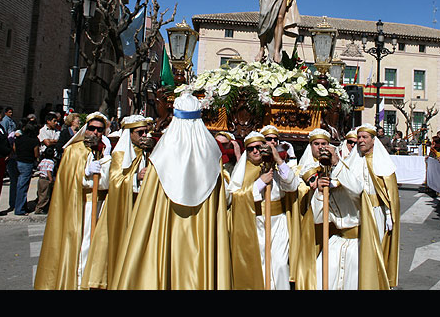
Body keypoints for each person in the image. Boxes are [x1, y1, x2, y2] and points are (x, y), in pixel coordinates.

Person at [109, 93, 231, 290]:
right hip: (202, 234)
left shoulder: (164, 151)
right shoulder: (211, 151)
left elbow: (148, 202)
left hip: (166, 228)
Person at [34, 112, 112, 289]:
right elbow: (69, 178)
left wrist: (106, 157)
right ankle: (79, 282)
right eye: (91, 128)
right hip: (81, 204)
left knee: (95, 246)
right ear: (85, 129)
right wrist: (84, 174)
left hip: (99, 204)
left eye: (100, 130)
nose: (95, 133)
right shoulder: (74, 151)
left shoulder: (103, 151)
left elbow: (106, 182)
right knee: (83, 245)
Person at [81, 115, 155, 290]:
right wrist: (136, 177)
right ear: (129, 133)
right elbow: (115, 181)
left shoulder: (144, 152)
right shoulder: (121, 153)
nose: (145, 135)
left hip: (139, 205)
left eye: (146, 131)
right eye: (140, 132)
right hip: (120, 206)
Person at [226, 130, 299, 289]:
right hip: (255, 223)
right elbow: (234, 197)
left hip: (278, 223)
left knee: (279, 265)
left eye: (258, 147)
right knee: (261, 265)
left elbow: (293, 185)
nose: (255, 151)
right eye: (251, 149)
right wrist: (259, 183)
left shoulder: (275, 167)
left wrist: (278, 159)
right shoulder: (243, 171)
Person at [308, 128, 363, 289]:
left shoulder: (350, 173)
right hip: (337, 240)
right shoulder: (324, 180)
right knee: (321, 273)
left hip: (358, 243)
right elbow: (318, 218)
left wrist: (337, 163)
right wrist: (319, 192)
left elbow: (356, 189)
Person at [351, 123, 400, 289]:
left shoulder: (383, 162)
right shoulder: (354, 159)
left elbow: (389, 195)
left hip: (375, 212)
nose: (360, 141)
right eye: (359, 137)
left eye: (364, 137)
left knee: (374, 248)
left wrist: (388, 215)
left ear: (373, 140)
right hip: (356, 212)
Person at [12, 121, 40, 215]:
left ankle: (19, 205)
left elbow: (14, 148)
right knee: (23, 187)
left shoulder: (19, 138)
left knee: (18, 185)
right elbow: (36, 153)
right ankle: (20, 209)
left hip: (18, 161)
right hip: (27, 163)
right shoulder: (34, 140)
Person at [34, 146, 55, 214]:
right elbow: (49, 171)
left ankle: (38, 207)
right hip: (46, 179)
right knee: (45, 195)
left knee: (40, 193)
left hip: (40, 178)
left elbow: (39, 167)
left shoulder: (43, 160)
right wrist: (51, 179)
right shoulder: (51, 162)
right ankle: (40, 208)